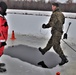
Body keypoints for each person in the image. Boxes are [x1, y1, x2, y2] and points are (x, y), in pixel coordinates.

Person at [0, 1, 8, 72]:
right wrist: (2, 40)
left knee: (0, 52)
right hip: (0, 40)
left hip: (2, 39)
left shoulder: (1, 17)